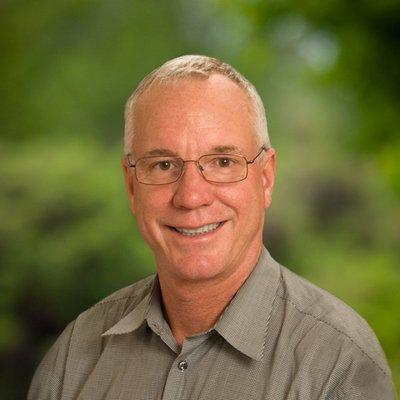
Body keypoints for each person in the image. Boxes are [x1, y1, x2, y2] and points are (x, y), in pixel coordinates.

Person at [28, 55, 396, 399]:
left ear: (266, 178)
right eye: (163, 165)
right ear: (131, 185)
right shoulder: (74, 358)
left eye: (222, 162)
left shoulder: (337, 364)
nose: (191, 197)